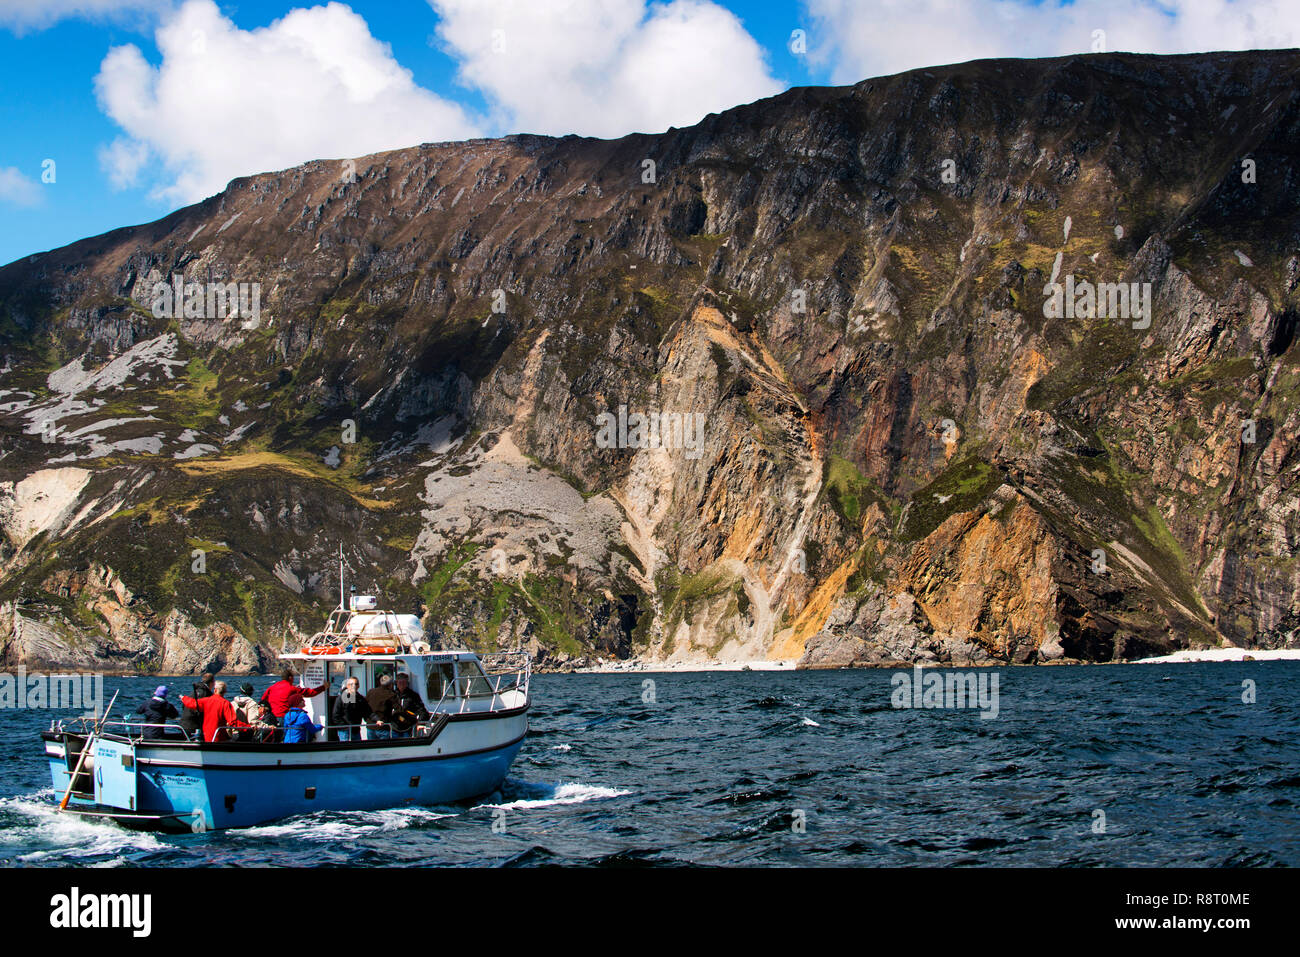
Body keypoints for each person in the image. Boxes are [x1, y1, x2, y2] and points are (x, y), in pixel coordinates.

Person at [179, 680, 246, 743]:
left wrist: (184, 698)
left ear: (215, 690)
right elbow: (233, 722)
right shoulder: (225, 703)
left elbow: (192, 703)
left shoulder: (206, 701)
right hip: (220, 737)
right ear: (225, 691)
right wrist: (248, 727)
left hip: (207, 737)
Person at [260, 667, 328, 722]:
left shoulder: (272, 687)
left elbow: (263, 699)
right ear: (290, 678)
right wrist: (323, 687)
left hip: (272, 717)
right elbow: (309, 693)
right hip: (284, 716)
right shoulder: (291, 688)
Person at [330, 676, 371, 742]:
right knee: (346, 751)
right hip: (344, 732)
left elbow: (368, 712)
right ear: (348, 686)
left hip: (356, 730)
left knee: (357, 751)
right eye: (351, 684)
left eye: (356, 684)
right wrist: (344, 727)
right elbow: (335, 715)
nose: (354, 686)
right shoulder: (341, 698)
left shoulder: (360, 699)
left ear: (359, 686)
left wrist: (377, 720)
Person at [390, 673, 430, 739]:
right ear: (396, 683)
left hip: (407, 728)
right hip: (394, 728)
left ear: (407, 683)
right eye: (400, 682)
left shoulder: (413, 696)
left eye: (404, 682)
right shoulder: (392, 695)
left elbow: (422, 711)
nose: (402, 684)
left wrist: (420, 723)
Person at [177, 672, 214, 739]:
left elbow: (184, 706)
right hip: (193, 725)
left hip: (184, 724)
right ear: (211, 683)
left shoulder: (195, 691)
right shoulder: (205, 693)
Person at [365, 673, 397, 739]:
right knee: (384, 748)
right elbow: (398, 709)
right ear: (390, 685)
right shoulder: (391, 695)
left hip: (370, 726)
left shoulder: (371, 692)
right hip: (383, 726)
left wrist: (367, 719)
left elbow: (364, 707)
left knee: (371, 748)